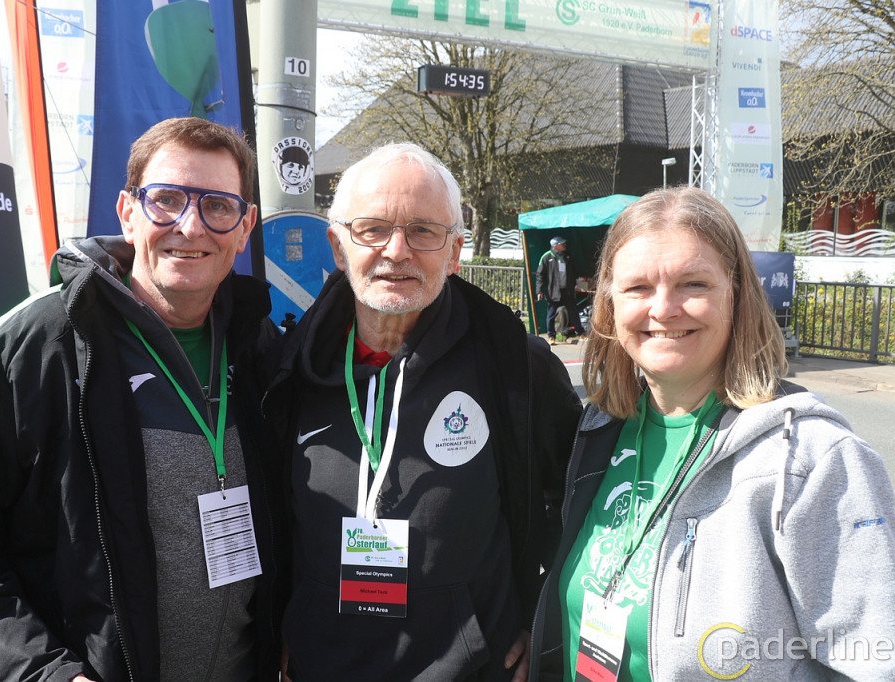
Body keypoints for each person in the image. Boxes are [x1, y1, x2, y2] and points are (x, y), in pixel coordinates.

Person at [0, 117, 284, 682]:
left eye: (218, 206)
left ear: (244, 228)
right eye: (166, 199)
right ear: (128, 212)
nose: (190, 225)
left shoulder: (259, 344)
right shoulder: (40, 341)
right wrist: (38, 669)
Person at [529, 187, 895, 681]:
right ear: (609, 304)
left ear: (737, 295)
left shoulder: (814, 461)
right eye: (638, 287)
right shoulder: (599, 429)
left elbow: (874, 662)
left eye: (693, 284)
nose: (664, 309)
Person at [264, 143, 582, 681]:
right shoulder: (287, 370)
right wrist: (281, 623)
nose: (397, 251)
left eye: (423, 231)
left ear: (455, 252)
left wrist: (541, 614)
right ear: (337, 247)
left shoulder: (514, 365)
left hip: (470, 669)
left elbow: (577, 498)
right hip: (322, 666)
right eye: (372, 229)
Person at [535, 236, 582, 340]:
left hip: (567, 290)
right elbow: (539, 275)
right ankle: (551, 336)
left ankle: (580, 332)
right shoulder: (546, 257)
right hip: (553, 291)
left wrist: (576, 284)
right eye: (562, 244)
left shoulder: (568, 256)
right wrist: (539, 291)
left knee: (573, 311)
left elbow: (574, 271)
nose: (565, 245)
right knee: (551, 314)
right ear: (555, 246)